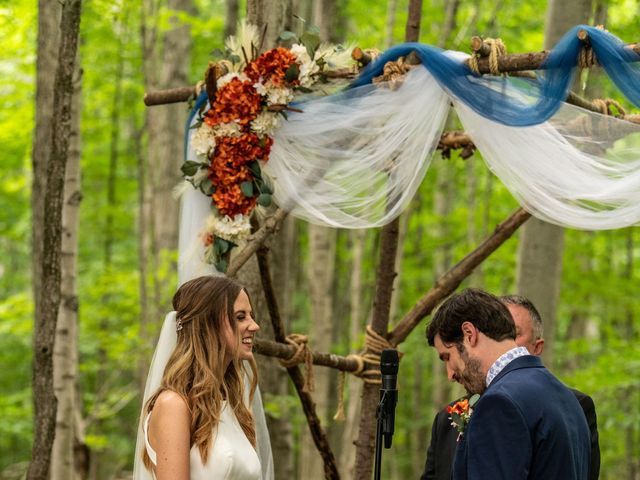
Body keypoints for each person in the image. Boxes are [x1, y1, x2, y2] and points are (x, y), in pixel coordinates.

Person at [421, 294, 600, 480]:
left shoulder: (499, 403)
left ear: (469, 334)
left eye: (447, 357)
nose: (449, 375)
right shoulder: (564, 396)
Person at [133, 275, 265, 480]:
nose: (254, 325)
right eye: (240, 317)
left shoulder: (234, 406)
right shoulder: (174, 405)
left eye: (251, 315)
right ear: (208, 325)